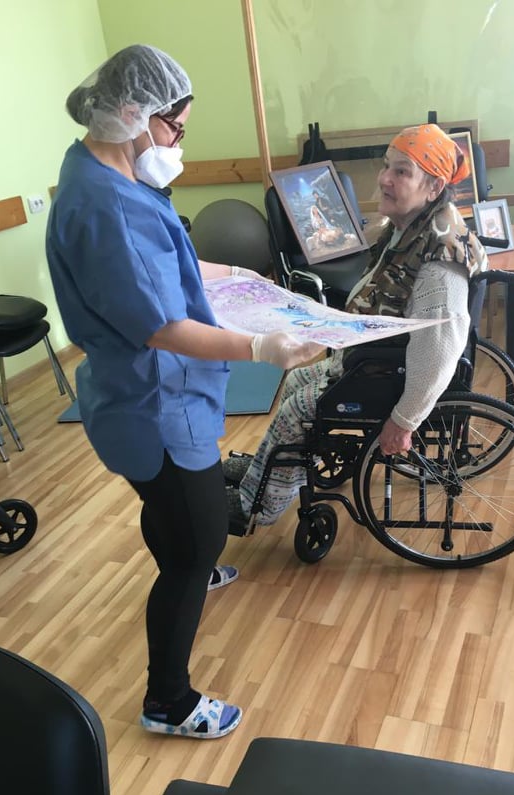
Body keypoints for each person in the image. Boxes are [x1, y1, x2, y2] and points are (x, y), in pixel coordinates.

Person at [45, 45, 321, 740]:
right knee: (200, 540)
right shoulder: (106, 206)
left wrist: (242, 280)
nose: (178, 145)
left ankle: (186, 564)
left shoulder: (104, 174)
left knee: (171, 515)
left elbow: (169, 262)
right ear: (133, 113)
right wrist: (261, 347)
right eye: (175, 128)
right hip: (153, 405)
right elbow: (163, 326)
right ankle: (167, 701)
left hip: (139, 396)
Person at [224, 123, 488, 525]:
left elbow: (439, 351)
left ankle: (255, 507)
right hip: (373, 358)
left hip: (388, 376)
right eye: (387, 166)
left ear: (434, 187)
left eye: (401, 172)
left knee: (295, 410)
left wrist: (403, 422)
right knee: (295, 381)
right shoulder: (410, 227)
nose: (384, 178)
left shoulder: (440, 264)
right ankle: (269, 472)